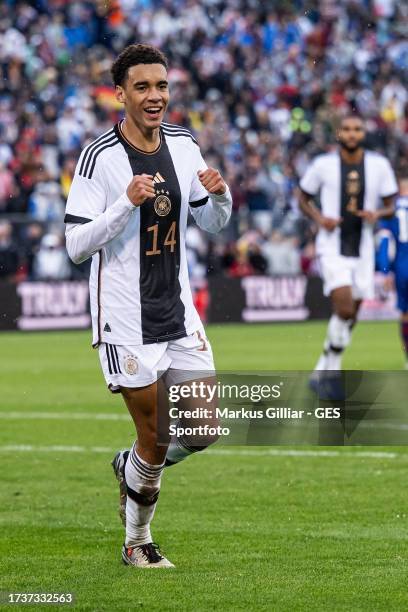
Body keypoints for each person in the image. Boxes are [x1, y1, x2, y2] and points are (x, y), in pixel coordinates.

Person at [64, 44, 232, 568]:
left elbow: (212, 222)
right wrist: (123, 204)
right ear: (121, 95)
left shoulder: (184, 144)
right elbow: (75, 245)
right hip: (125, 318)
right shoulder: (99, 157)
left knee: (202, 430)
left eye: (161, 86)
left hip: (178, 310)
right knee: (156, 438)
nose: (155, 96)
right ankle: (137, 541)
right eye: (142, 87)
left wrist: (221, 196)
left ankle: (129, 466)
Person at [299, 114, 397, 394]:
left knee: (351, 315)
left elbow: (390, 205)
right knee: (343, 308)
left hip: (364, 247)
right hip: (332, 246)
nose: (352, 134)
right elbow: (303, 197)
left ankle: (323, 370)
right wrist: (320, 219)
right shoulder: (323, 165)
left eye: (357, 129)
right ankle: (330, 374)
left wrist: (376, 213)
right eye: (347, 129)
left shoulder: (379, 165)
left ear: (363, 133)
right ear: (339, 133)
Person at [377, 174, 408, 368]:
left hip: (402, 267)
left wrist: (385, 270)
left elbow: (385, 244)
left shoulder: (391, 211)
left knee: (405, 314)